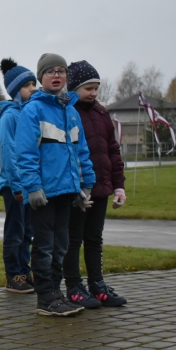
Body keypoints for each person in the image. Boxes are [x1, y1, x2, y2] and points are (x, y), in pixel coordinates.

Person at [15, 53, 97, 317]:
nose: (57, 75)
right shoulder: (33, 110)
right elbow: (25, 153)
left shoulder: (70, 111)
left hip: (67, 191)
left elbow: (81, 151)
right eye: (50, 71)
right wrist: (33, 187)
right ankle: (46, 296)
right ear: (41, 77)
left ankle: (56, 292)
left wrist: (86, 185)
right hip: (44, 193)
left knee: (61, 244)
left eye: (61, 71)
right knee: (44, 245)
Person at [64, 61, 128, 308]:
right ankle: (73, 285)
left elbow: (112, 151)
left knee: (94, 238)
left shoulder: (102, 113)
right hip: (78, 189)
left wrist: (118, 185)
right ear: (74, 87)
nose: (93, 93)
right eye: (88, 88)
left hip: (101, 187)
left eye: (96, 88)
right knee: (74, 238)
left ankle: (97, 285)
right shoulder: (69, 112)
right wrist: (76, 186)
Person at [0, 58, 39, 295]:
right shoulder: (10, 117)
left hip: (29, 185)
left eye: (34, 83)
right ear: (15, 91)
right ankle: (13, 274)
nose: (33, 88)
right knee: (15, 231)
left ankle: (25, 270)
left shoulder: (30, 114)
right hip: (15, 187)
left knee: (27, 232)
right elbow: (9, 152)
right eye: (27, 85)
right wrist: (16, 186)